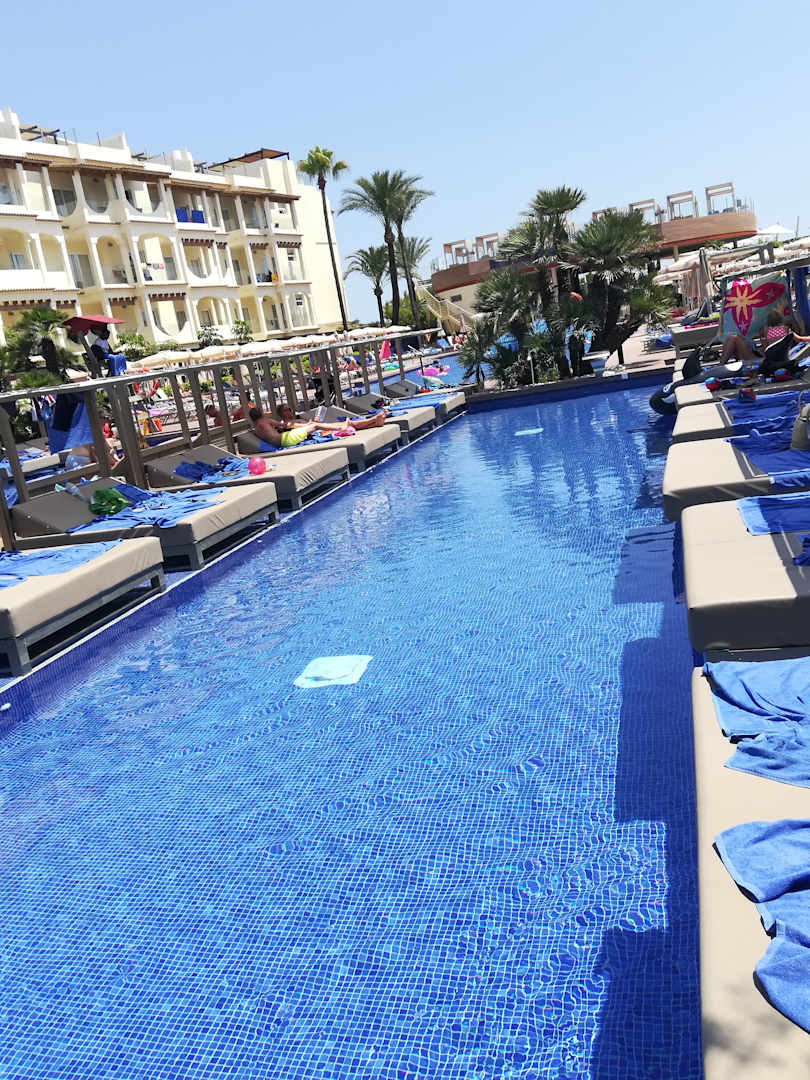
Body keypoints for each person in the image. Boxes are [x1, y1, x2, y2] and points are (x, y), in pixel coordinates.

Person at [248, 404, 387, 449]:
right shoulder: (268, 422)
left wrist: (309, 423)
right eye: (286, 410)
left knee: (348, 423)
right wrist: (310, 423)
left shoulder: (257, 427)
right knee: (320, 425)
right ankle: (373, 420)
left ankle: (375, 421)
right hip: (288, 438)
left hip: (291, 437)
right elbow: (285, 425)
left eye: (290, 409)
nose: (289, 411)